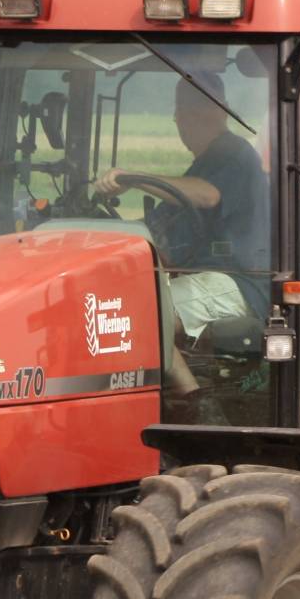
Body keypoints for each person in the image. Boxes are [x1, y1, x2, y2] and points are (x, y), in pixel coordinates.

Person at [91, 71, 267, 393]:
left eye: (189, 111)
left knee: (142, 313)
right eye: (182, 112)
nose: (183, 121)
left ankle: (194, 403)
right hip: (209, 275)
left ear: (218, 112)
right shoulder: (206, 162)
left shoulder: (234, 154)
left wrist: (133, 177)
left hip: (241, 281)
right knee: (128, 301)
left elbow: (206, 195)